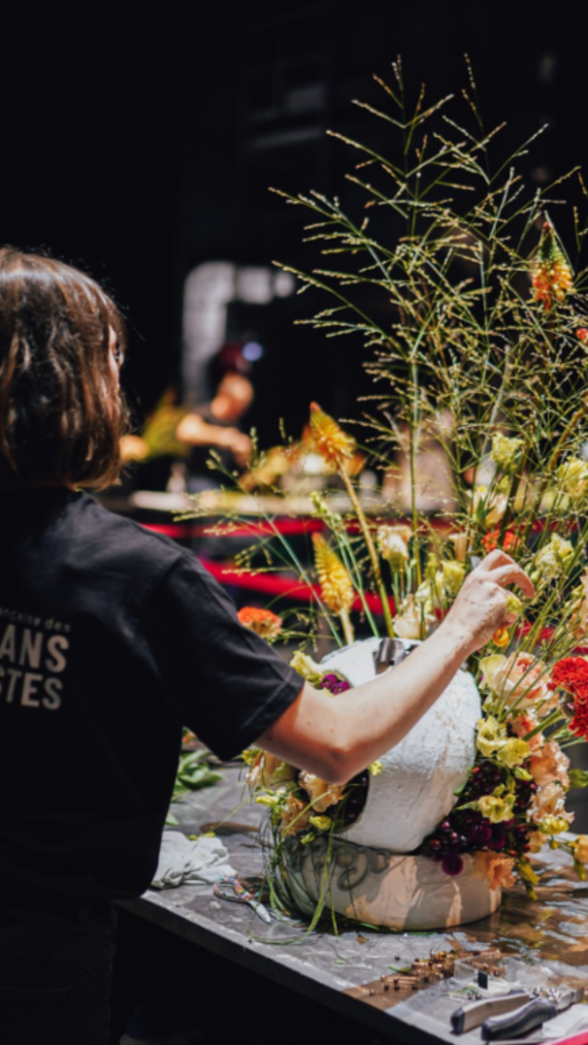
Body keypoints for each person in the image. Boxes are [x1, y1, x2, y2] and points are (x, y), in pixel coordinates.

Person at [0, 247, 534, 1045]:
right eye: (110, 360)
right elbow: (335, 742)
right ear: (71, 382)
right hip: (40, 958)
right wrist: (460, 628)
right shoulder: (136, 577)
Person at [175, 370, 254, 490]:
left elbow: (243, 465)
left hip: (227, 484)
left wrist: (244, 454)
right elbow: (184, 432)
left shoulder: (236, 424)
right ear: (225, 395)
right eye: (239, 404)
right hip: (200, 481)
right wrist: (220, 436)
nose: (242, 411)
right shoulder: (203, 414)